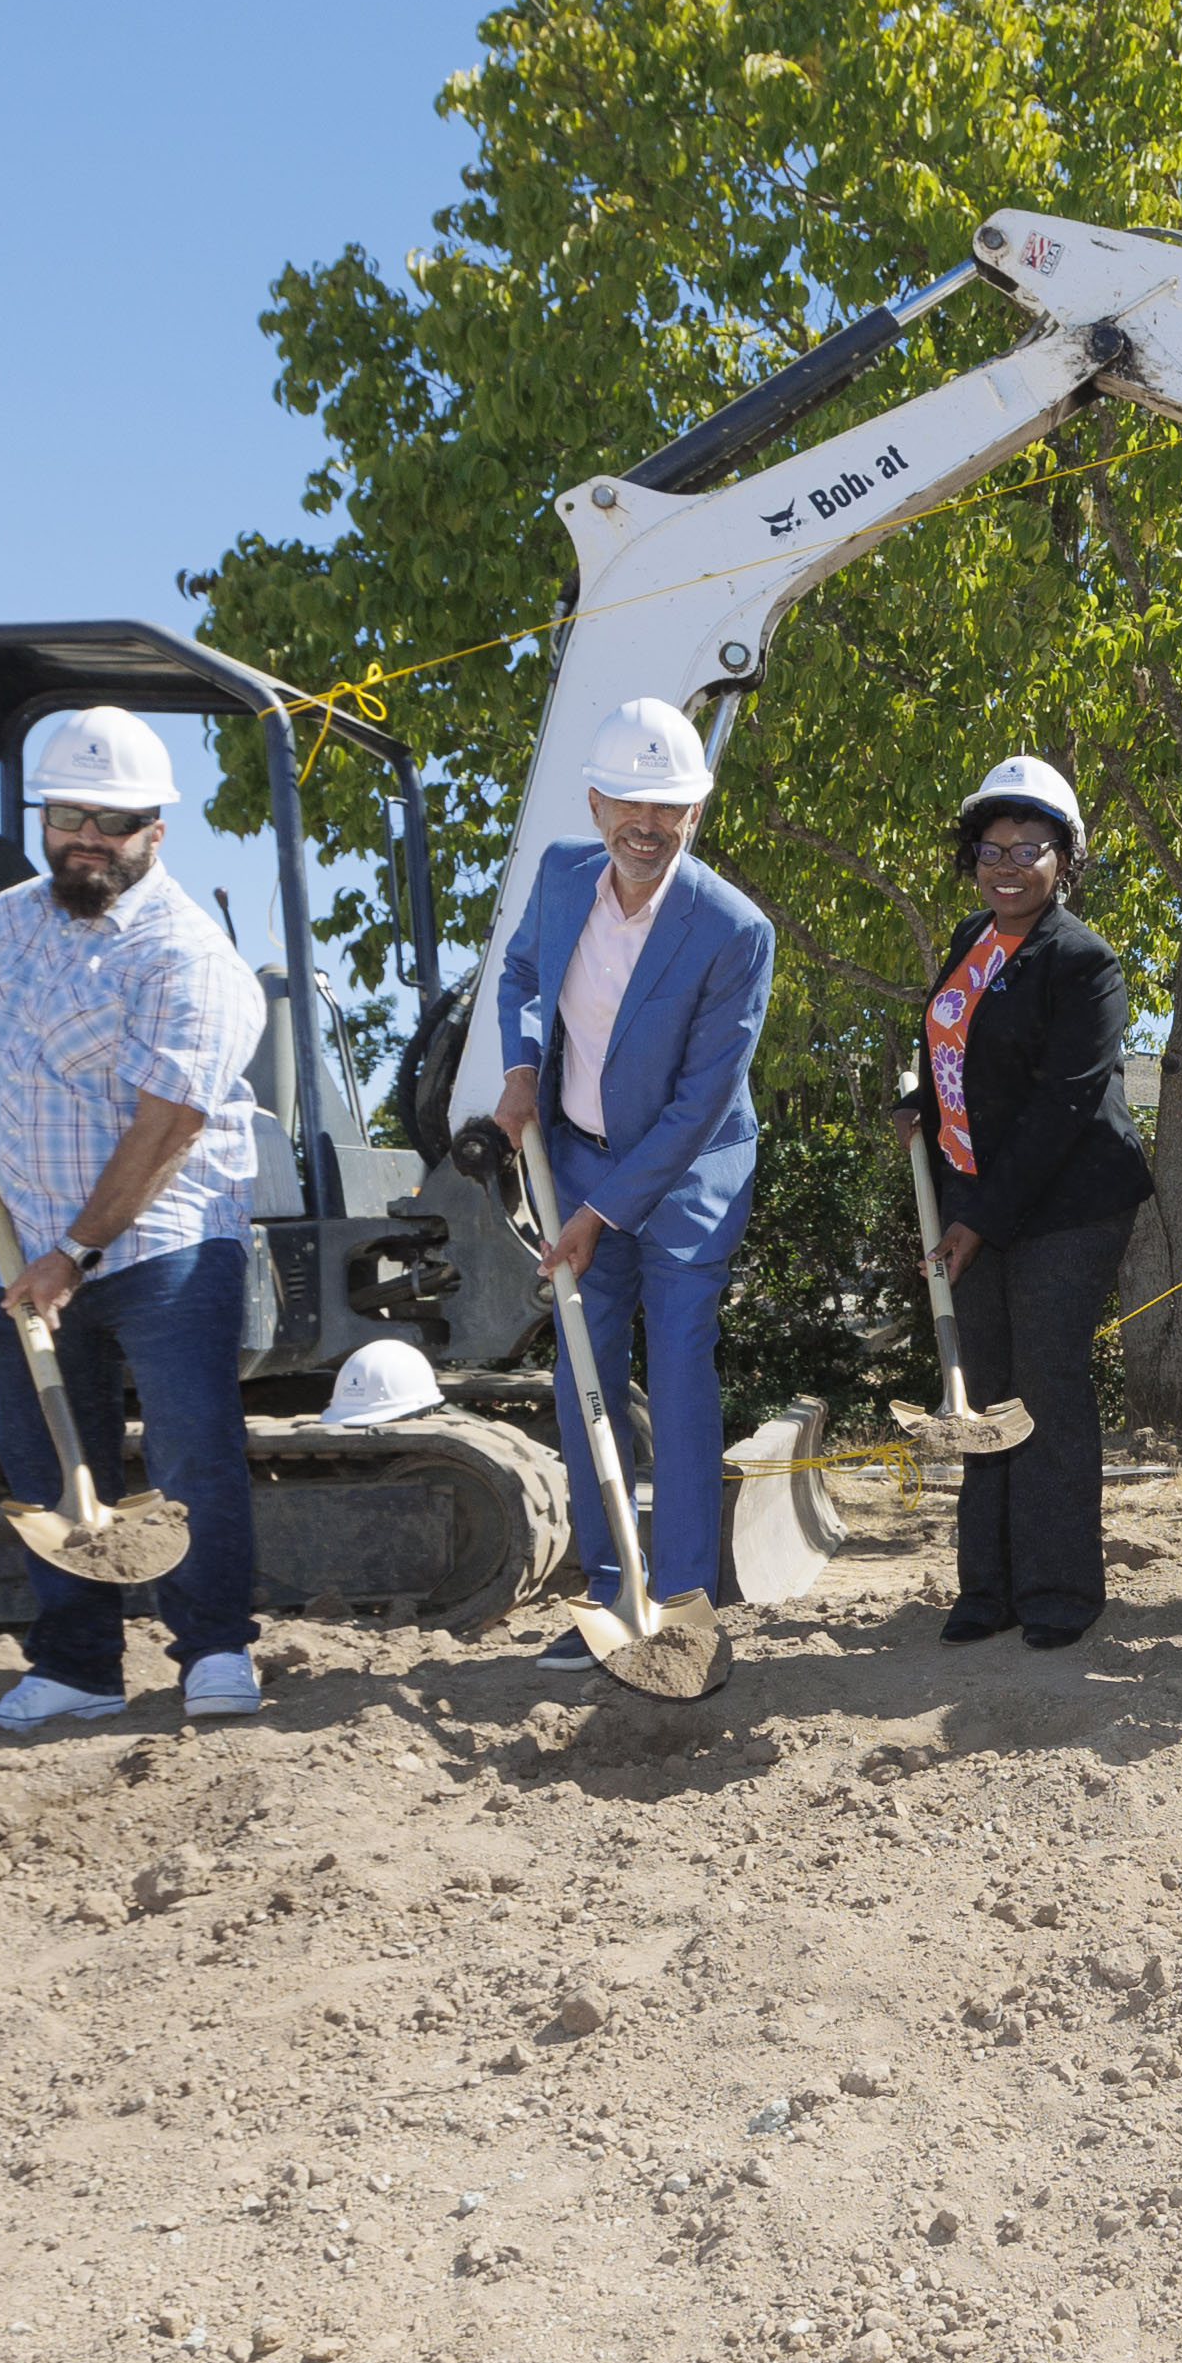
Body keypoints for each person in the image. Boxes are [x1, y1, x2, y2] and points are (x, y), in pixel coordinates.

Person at [0, 704, 276, 1734]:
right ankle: (76, 1667)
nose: (86, 837)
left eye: (110, 821)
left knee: (188, 1456)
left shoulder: (185, 956)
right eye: (68, 814)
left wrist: (75, 1253)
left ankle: (215, 1654)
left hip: (162, 1247)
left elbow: (168, 1126)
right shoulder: (8, 918)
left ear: (153, 832)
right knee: (46, 1463)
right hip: (21, 1247)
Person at [487, 697, 777, 1666]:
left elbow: (701, 1097)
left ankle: (685, 1599)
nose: (647, 827)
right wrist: (522, 1070)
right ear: (597, 800)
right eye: (629, 806)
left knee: (682, 1361)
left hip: (691, 1171)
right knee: (583, 1372)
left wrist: (603, 1216)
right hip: (577, 1152)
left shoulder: (735, 929)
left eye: (670, 809)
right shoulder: (562, 876)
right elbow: (522, 976)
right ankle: (612, 1591)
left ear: (695, 811)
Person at [911, 754, 1152, 1652]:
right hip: (975, 1194)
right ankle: (989, 1587)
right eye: (991, 847)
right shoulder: (972, 939)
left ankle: (1057, 1589)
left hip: (1069, 1201)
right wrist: (922, 1108)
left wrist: (982, 1219)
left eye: (1029, 848)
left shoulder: (1084, 960)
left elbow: (1062, 1102)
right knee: (982, 1392)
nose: (1007, 864)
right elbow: (955, 1054)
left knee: (1044, 1387)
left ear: (1065, 859)